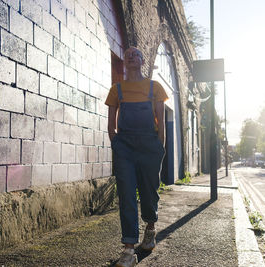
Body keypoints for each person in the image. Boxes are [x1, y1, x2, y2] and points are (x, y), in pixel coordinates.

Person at [105, 47, 168, 267]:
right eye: (128, 54)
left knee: (149, 192)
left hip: (149, 145)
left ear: (143, 61)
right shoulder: (117, 89)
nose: (132, 56)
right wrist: (116, 143)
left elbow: (160, 121)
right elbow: (111, 123)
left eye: (136, 54)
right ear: (125, 62)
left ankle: (150, 227)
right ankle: (129, 248)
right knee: (127, 195)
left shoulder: (155, 87)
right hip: (125, 148)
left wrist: (159, 146)